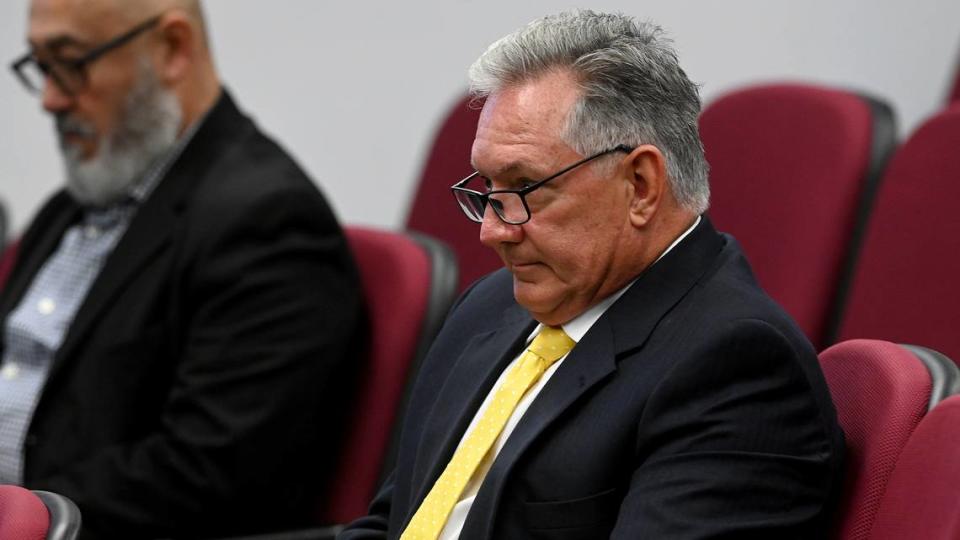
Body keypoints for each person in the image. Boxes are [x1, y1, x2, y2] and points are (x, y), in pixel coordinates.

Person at [340, 10, 844, 540]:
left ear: (641, 185)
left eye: (525, 189)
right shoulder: (488, 308)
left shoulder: (737, 366)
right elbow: (395, 521)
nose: (491, 231)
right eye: (487, 190)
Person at [1, 0, 365, 537]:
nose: (51, 99)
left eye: (71, 63)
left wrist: (25, 515)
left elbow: (209, 476)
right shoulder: (71, 206)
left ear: (171, 48)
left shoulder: (268, 222)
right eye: (41, 66)